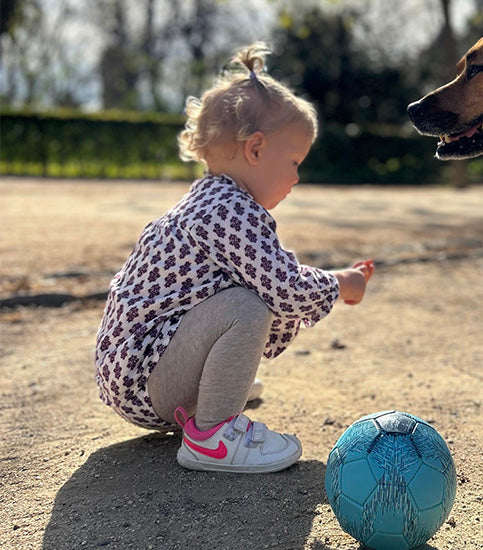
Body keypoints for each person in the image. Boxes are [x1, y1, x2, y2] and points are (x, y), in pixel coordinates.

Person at [94, 43, 374, 474]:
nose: (298, 177)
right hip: (145, 380)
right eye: (295, 161)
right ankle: (211, 434)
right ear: (256, 149)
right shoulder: (230, 211)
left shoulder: (211, 198)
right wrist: (341, 283)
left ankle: (215, 392)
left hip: (136, 371)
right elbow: (285, 287)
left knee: (246, 291)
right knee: (249, 303)